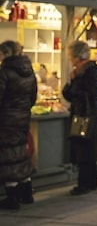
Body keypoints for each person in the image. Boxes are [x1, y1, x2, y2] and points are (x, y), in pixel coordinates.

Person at [62, 41, 97, 196]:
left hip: (86, 114)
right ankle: (91, 182)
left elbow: (92, 93)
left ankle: (84, 183)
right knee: (85, 148)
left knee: (83, 148)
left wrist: (73, 89)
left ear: (78, 56)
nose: (70, 60)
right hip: (83, 112)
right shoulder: (79, 72)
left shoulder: (89, 71)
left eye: (72, 56)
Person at [0, 41, 37, 209]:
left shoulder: (5, 72)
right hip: (22, 118)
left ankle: (12, 197)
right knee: (20, 152)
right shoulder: (29, 72)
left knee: (8, 155)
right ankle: (27, 191)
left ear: (6, 54)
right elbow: (33, 98)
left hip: (6, 120)